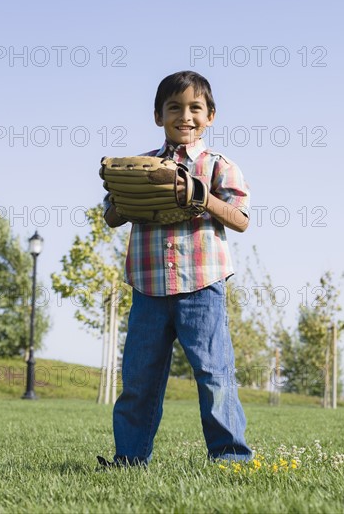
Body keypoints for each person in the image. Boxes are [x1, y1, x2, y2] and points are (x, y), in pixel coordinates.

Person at [100, 70, 254, 468]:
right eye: (174, 108)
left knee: (214, 375)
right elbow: (112, 218)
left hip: (202, 287)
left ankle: (231, 459)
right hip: (149, 288)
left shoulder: (219, 166)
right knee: (138, 381)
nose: (185, 115)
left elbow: (240, 219)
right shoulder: (139, 166)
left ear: (211, 116)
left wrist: (200, 196)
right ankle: (129, 459)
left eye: (195, 108)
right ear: (158, 116)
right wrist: (119, 191)